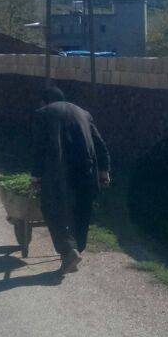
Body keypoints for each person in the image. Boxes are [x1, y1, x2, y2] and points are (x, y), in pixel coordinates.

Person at [31, 85, 111, 274]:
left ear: (44, 101)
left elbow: (39, 147)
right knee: (82, 209)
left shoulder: (44, 113)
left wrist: (36, 175)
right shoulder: (84, 113)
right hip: (86, 169)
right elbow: (100, 143)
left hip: (59, 172)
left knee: (52, 208)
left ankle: (69, 251)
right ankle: (76, 250)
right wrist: (104, 170)